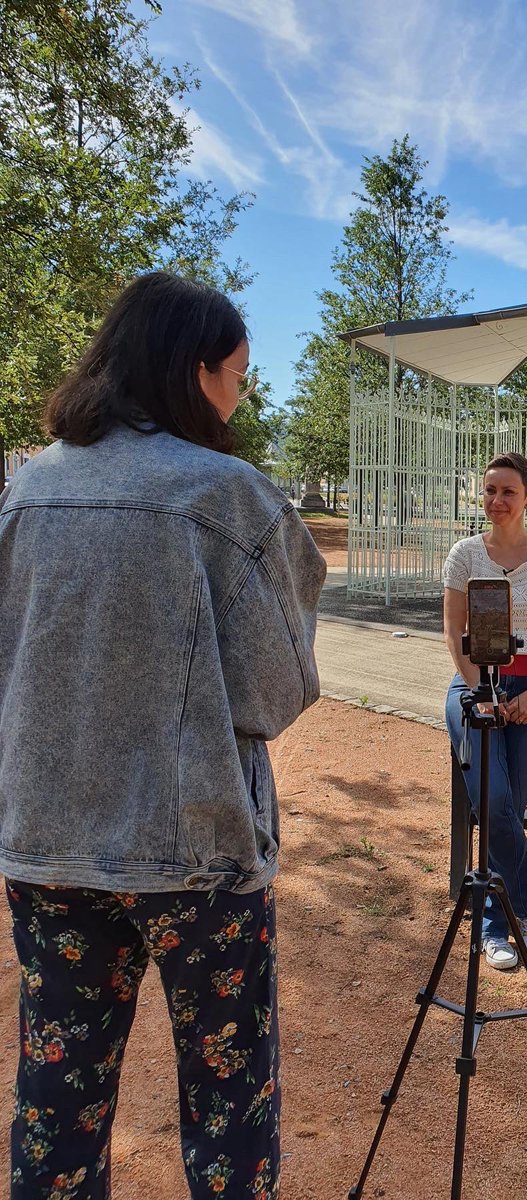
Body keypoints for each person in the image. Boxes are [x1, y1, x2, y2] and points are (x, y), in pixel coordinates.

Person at [0, 272, 326, 1199]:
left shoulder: (26, 493)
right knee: (229, 1101)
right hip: (198, 851)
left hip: (49, 843)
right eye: (239, 377)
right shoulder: (230, 498)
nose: (241, 396)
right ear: (196, 372)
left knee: (57, 1098)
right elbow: (279, 690)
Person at [442, 452, 527, 970]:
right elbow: (453, 632)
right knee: (493, 803)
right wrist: (481, 692)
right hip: (475, 686)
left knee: (508, 808)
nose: (496, 501)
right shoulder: (464, 554)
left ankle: (497, 926)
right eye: (490, 490)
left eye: (508, 492)